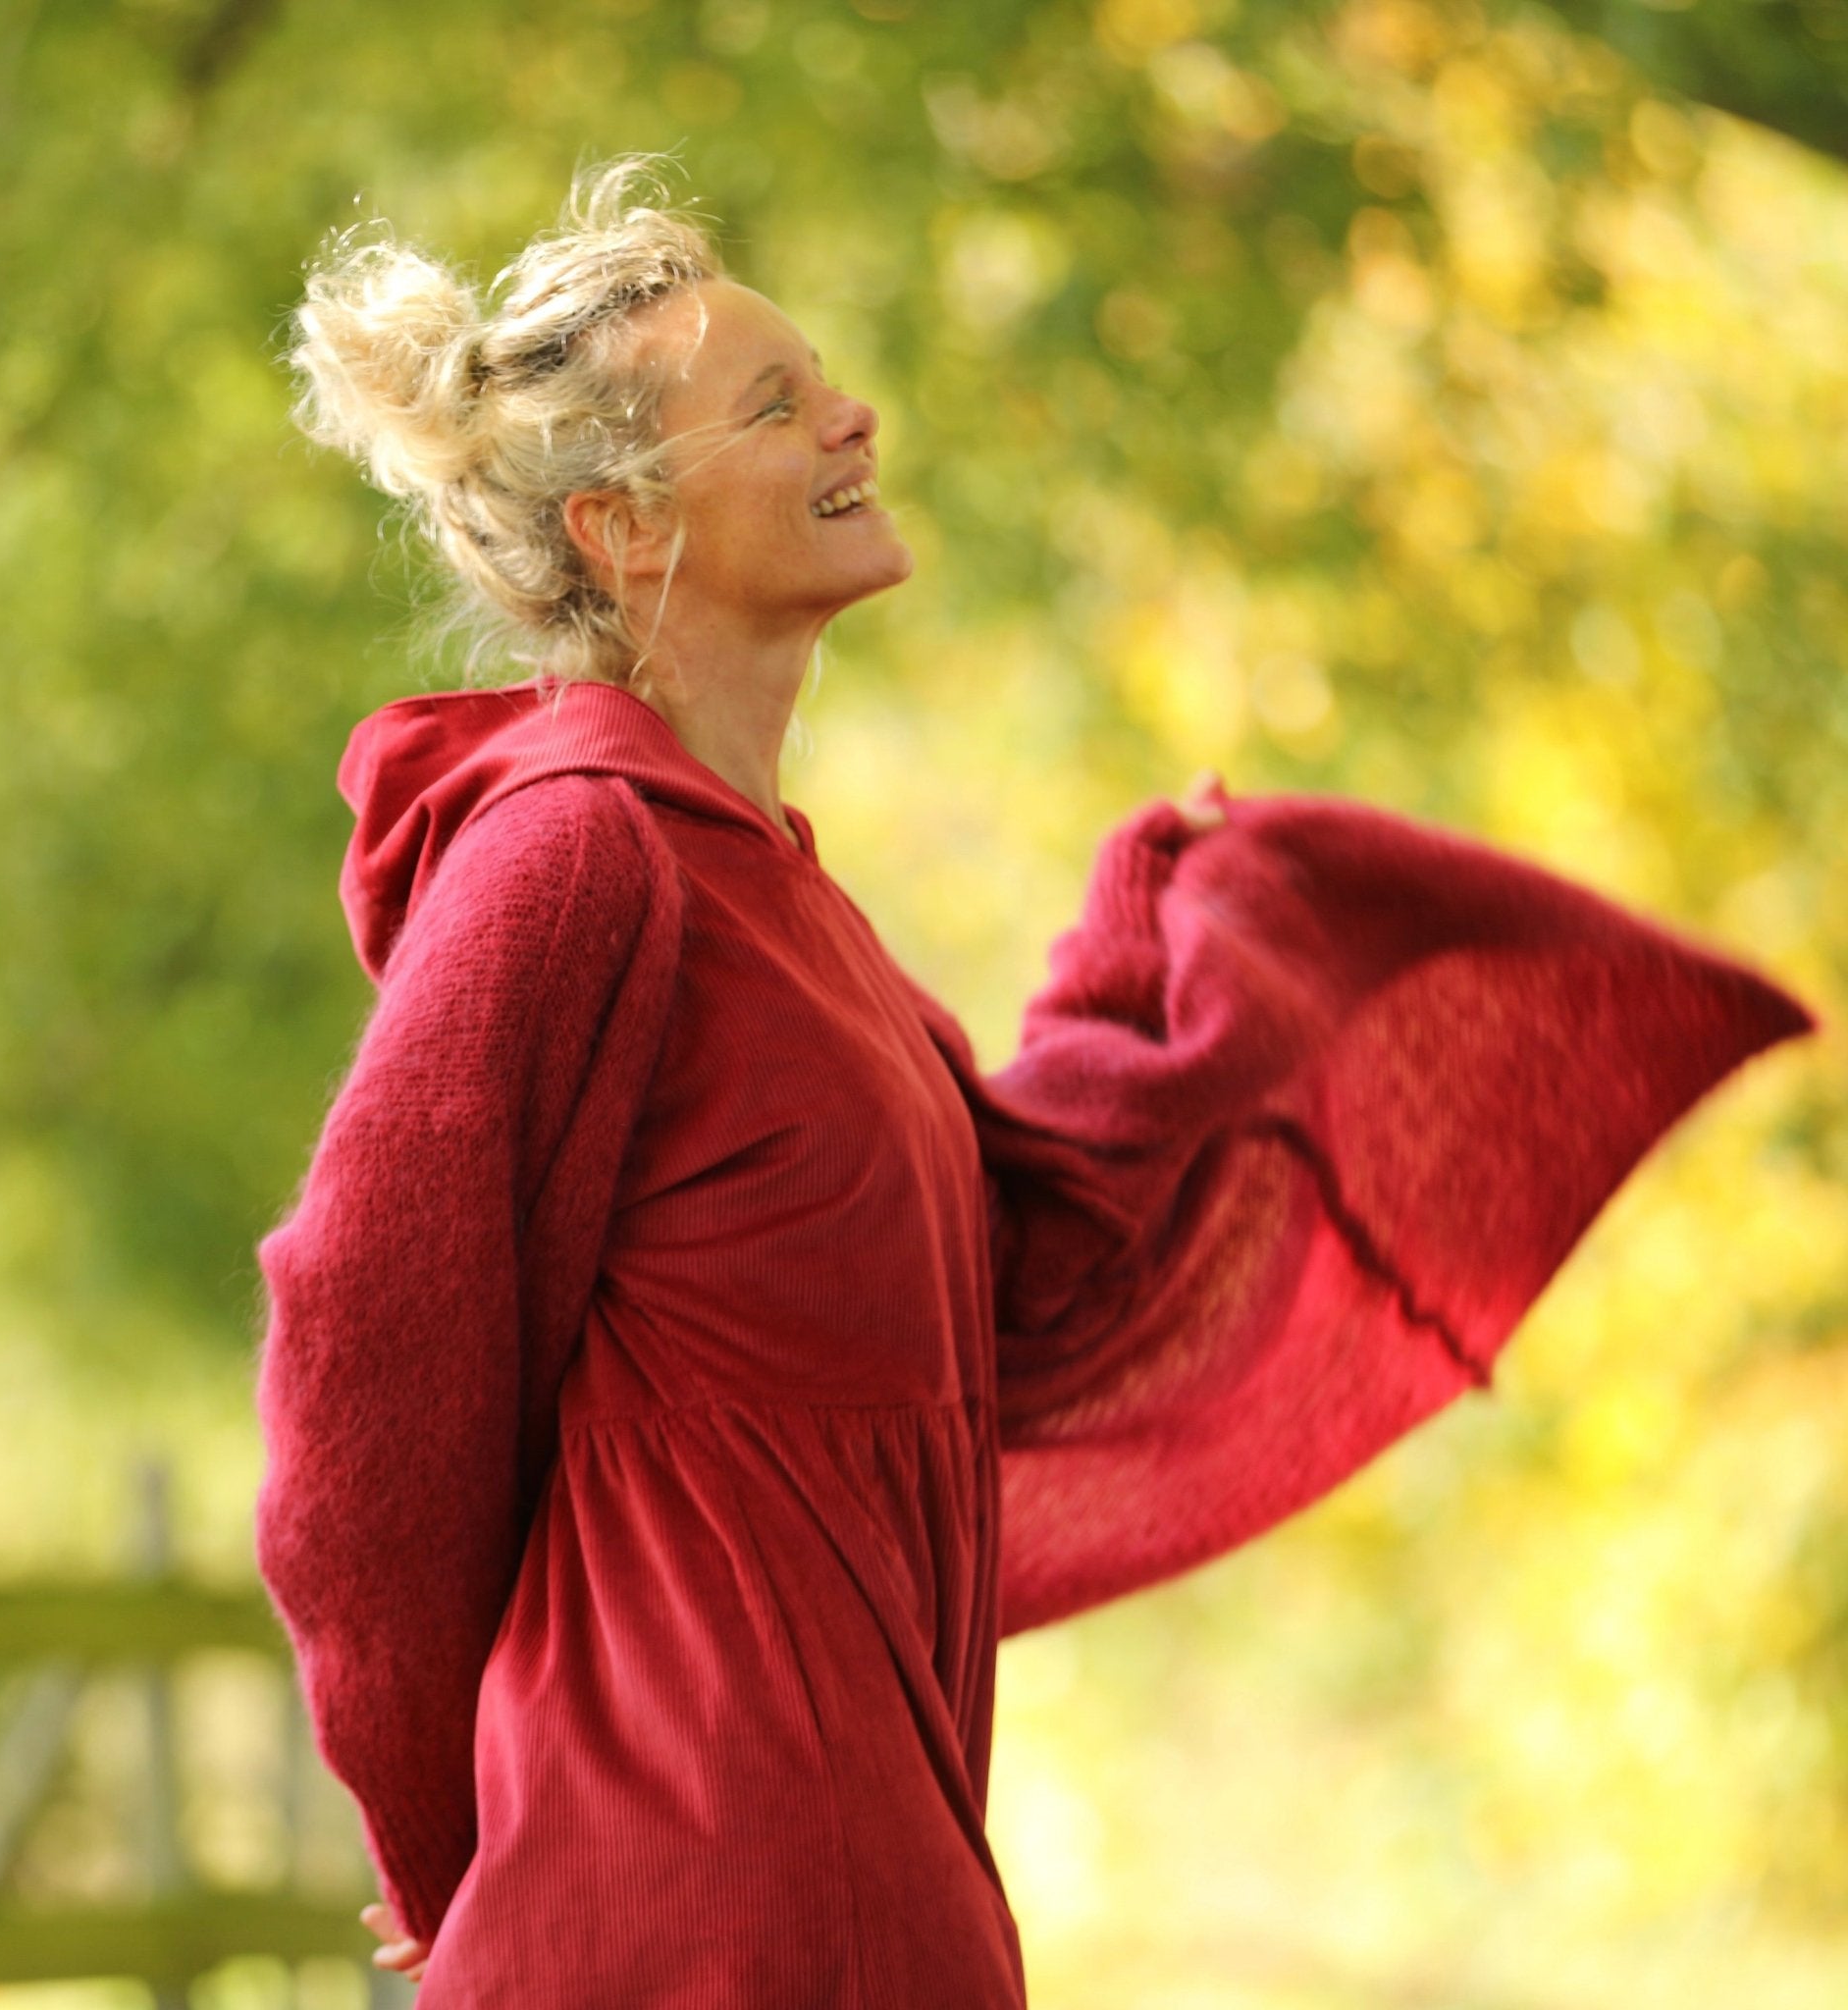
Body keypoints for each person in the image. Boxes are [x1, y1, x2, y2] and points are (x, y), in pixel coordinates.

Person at [250, 155, 1815, 2007]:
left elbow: (1010, 1290)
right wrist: (441, 1834)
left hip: (864, 1857)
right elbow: (366, 1346)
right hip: (699, 1886)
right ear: (625, 528)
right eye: (775, 404)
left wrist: (1178, 953)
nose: (854, 415)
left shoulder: (783, 899)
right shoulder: (575, 855)